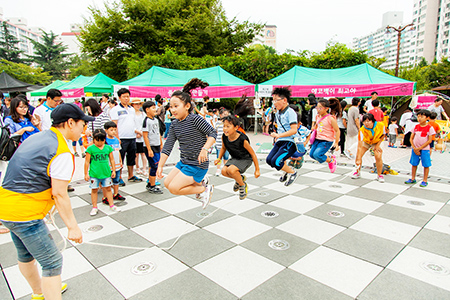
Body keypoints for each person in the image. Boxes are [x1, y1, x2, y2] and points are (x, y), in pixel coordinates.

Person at [0, 103, 94, 299]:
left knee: (26, 255)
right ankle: (47, 292)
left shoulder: (37, 137)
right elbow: (60, 194)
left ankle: (38, 292)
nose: (83, 129)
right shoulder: (60, 151)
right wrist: (72, 227)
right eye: (82, 124)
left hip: (7, 208)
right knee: (52, 263)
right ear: (70, 123)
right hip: (27, 214)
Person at [156, 78, 216, 209]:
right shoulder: (174, 124)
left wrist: (205, 149)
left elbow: (213, 133)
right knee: (167, 183)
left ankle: (204, 189)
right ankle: (201, 183)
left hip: (197, 164)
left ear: (187, 106)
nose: (172, 110)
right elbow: (168, 146)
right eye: (171, 107)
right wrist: (160, 165)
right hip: (184, 162)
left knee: (174, 188)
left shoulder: (195, 119)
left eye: (176, 106)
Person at [215, 115, 260, 199]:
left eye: (228, 126)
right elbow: (223, 148)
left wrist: (257, 170)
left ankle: (242, 185)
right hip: (235, 158)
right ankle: (240, 178)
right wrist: (219, 158)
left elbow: (253, 154)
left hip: (245, 159)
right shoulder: (224, 137)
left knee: (231, 170)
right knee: (224, 171)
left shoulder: (242, 139)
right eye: (224, 126)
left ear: (236, 127)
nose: (225, 129)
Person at [266, 87, 299, 185]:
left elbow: (294, 130)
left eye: (276, 100)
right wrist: (276, 136)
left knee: (276, 162)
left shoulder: (290, 112)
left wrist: (279, 135)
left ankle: (293, 172)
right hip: (280, 141)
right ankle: (287, 170)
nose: (274, 103)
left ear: (284, 100)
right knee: (269, 160)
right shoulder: (278, 113)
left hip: (289, 142)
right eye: (273, 100)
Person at [84, 129, 120, 216]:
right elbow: (87, 162)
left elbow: (112, 159)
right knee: (94, 190)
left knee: (108, 188)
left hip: (106, 173)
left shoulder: (108, 148)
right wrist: (86, 173)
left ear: (105, 139)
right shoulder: (90, 149)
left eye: (102, 140)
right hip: (94, 174)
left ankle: (112, 205)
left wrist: (114, 170)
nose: (99, 142)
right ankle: (94, 207)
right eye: (97, 140)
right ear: (93, 139)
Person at [109, 88, 142, 183]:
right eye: (124, 97)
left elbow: (133, 123)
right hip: (121, 138)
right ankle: (118, 177)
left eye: (128, 96)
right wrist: (117, 138)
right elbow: (114, 125)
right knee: (120, 158)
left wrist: (136, 132)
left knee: (131, 157)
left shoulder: (132, 109)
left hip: (132, 137)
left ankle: (130, 175)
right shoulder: (115, 109)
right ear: (119, 98)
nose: (126, 98)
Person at [404, 110, 435, 187]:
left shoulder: (430, 128)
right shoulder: (416, 127)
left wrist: (420, 148)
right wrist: (414, 148)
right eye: (418, 116)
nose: (419, 118)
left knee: (426, 165)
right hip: (415, 149)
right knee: (414, 164)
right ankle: (412, 178)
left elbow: (429, 140)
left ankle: (425, 180)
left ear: (427, 118)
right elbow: (411, 138)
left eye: (422, 116)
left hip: (425, 150)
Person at [351, 113, 386, 182]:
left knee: (378, 156)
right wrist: (358, 157)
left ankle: (379, 175)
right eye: (364, 121)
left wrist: (377, 145)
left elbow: (383, 135)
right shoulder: (362, 129)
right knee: (359, 155)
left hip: (377, 141)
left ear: (372, 121)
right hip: (367, 142)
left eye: (368, 121)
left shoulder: (380, 125)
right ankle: (357, 172)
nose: (366, 123)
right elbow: (360, 145)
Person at [309, 99, 340, 173]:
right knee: (311, 155)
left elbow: (337, 130)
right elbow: (318, 125)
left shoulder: (331, 118)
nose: (318, 110)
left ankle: (331, 160)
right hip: (317, 139)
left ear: (326, 109)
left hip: (326, 140)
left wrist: (336, 143)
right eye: (317, 107)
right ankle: (329, 159)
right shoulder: (317, 116)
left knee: (317, 155)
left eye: (320, 108)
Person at [142, 101, 164, 194]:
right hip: (150, 147)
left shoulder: (155, 120)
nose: (155, 110)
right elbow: (145, 136)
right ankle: (152, 185)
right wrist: (149, 149)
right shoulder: (146, 121)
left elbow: (158, 132)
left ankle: (150, 182)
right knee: (154, 165)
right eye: (153, 108)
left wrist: (161, 143)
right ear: (147, 110)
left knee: (154, 165)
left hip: (157, 145)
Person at [103, 121, 126, 203]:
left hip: (116, 164)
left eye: (115, 130)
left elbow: (118, 151)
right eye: (111, 130)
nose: (114, 132)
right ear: (106, 130)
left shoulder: (116, 140)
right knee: (106, 180)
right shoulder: (104, 141)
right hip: (108, 164)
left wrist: (120, 161)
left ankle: (116, 193)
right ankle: (105, 196)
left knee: (116, 179)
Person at [131, 98, 147, 176]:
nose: (137, 105)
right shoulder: (131, 115)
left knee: (143, 153)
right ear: (133, 105)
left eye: (139, 104)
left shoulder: (143, 114)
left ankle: (144, 168)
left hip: (142, 135)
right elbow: (131, 125)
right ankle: (137, 167)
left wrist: (141, 132)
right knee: (136, 154)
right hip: (134, 135)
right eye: (136, 104)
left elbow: (144, 124)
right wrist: (137, 132)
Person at [214, 108, 230, 176]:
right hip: (219, 144)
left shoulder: (229, 124)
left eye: (227, 114)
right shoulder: (217, 123)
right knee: (218, 158)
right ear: (220, 115)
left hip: (227, 144)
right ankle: (218, 169)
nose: (226, 116)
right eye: (224, 114)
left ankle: (225, 169)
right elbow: (215, 132)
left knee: (226, 157)